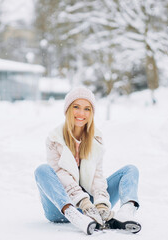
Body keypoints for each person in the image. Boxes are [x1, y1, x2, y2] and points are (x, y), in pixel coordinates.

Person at [34, 86, 141, 235]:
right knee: (42, 170)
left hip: (90, 207)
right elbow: (60, 175)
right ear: (68, 109)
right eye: (76, 107)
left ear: (91, 113)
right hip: (61, 206)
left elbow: (97, 175)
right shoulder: (54, 139)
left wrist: (102, 205)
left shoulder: (96, 139)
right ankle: (75, 215)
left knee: (130, 170)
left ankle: (126, 213)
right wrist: (83, 203)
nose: (81, 113)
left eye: (87, 109)